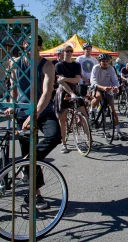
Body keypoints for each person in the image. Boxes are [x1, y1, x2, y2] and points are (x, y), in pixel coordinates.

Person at [4, 34, 62, 209]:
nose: (29, 46)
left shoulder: (47, 66)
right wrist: (12, 106)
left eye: (33, 44)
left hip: (43, 111)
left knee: (54, 136)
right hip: (23, 113)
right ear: (23, 44)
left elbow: (46, 93)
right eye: (26, 43)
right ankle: (34, 195)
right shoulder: (16, 64)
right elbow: (13, 88)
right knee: (28, 151)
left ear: (39, 47)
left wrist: (34, 114)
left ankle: (30, 159)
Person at [54, 44, 87, 153]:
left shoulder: (77, 65)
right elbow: (62, 84)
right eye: (66, 51)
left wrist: (65, 79)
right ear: (62, 53)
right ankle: (64, 144)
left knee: (84, 115)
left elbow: (77, 80)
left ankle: (88, 139)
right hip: (63, 92)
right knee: (62, 120)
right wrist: (71, 92)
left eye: (70, 50)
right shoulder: (58, 65)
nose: (68, 52)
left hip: (75, 90)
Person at [90, 54, 125, 141]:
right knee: (98, 96)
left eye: (107, 61)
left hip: (108, 89)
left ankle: (118, 131)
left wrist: (116, 88)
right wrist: (103, 88)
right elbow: (93, 82)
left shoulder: (111, 68)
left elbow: (115, 80)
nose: (105, 63)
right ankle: (92, 110)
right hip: (97, 87)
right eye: (103, 61)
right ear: (99, 62)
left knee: (113, 110)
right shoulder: (96, 68)